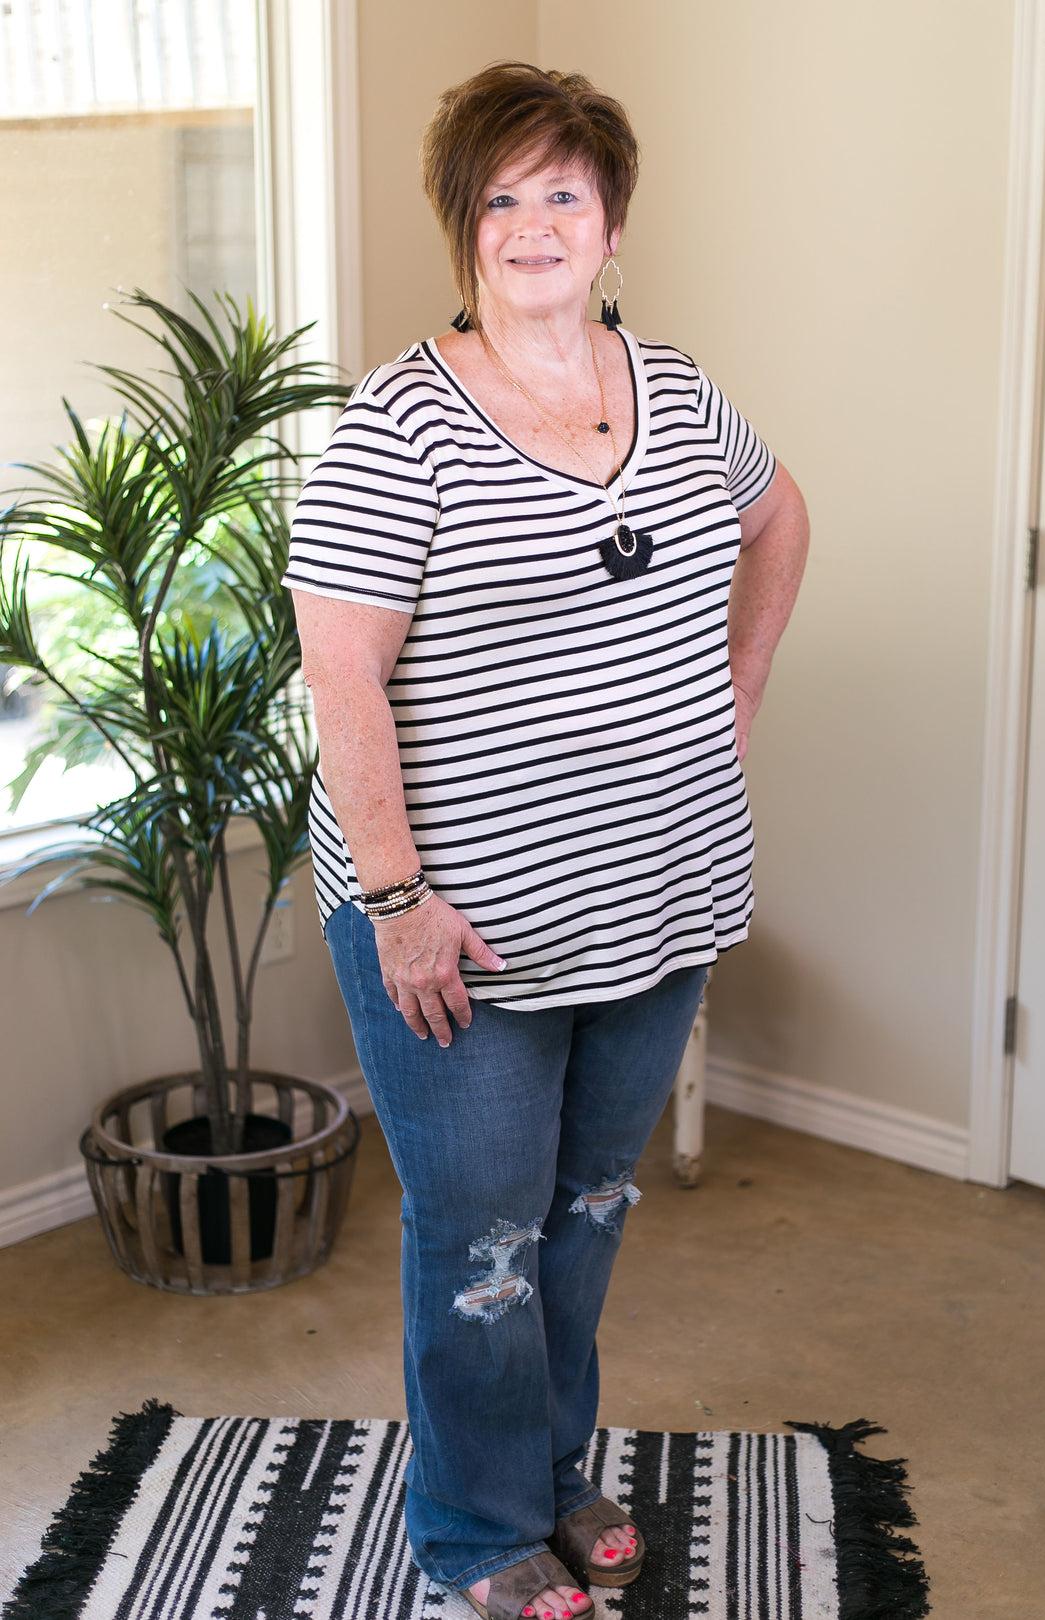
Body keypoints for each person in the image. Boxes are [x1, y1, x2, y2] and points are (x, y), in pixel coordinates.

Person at [285, 61, 808, 1620]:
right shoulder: (397, 430)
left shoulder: (679, 386)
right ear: (464, 231)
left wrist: (737, 686)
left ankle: (550, 1476)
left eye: (560, 194)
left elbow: (778, 517)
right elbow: (341, 674)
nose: (532, 226)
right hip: (462, 932)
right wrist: (397, 900)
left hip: (658, 904)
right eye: (498, 199)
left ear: (613, 220)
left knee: (584, 1217)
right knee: (481, 1247)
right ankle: (469, 1530)